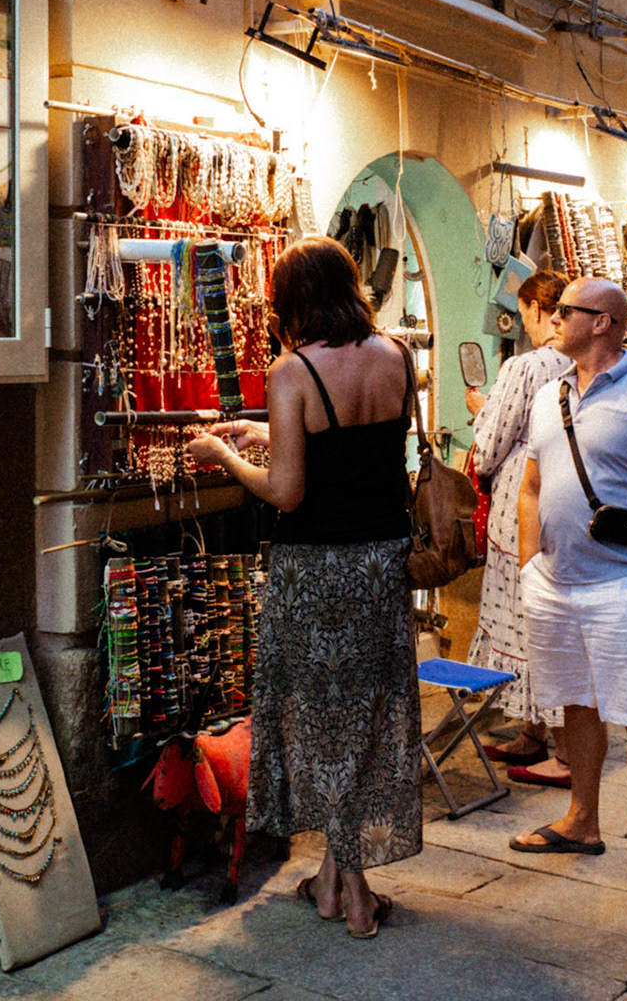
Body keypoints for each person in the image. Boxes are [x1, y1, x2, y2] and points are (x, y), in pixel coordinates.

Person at [186, 235, 419, 940]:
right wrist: (265, 433)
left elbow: (288, 492)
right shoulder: (397, 356)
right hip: (382, 563)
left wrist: (224, 455)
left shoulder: (292, 370)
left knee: (318, 722)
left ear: (291, 302)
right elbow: (355, 450)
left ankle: (353, 896)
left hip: (315, 571)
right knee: (363, 718)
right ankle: (332, 881)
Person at [506, 277, 627, 917]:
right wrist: (530, 564)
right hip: (555, 584)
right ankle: (582, 820)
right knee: (576, 706)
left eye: (568, 310)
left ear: (604, 322)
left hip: (621, 585)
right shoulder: (550, 394)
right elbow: (531, 485)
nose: (554, 317)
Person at [465, 269, 573, 788]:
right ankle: (534, 732)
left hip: (521, 499)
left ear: (537, 309)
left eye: (525, 312)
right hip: (564, 500)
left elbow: (490, 446)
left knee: (528, 616)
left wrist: (480, 413)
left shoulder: (524, 367)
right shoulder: (581, 363)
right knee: (548, 615)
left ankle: (566, 752)